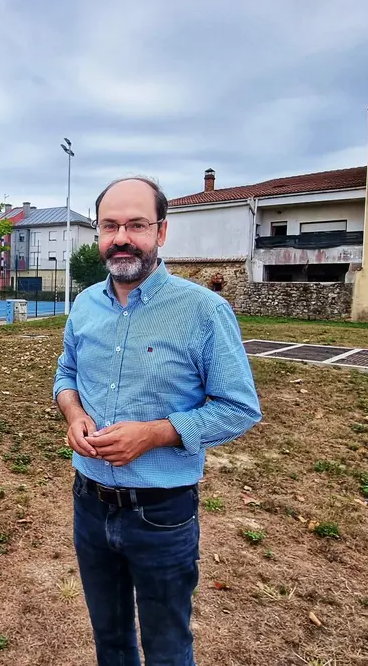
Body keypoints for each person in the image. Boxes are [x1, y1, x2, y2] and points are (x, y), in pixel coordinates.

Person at [53, 176, 262, 665]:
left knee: (167, 647)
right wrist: (75, 412)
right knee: (110, 640)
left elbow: (239, 407)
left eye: (136, 225)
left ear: (161, 233)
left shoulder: (205, 311)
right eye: (109, 225)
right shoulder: (84, 305)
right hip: (90, 503)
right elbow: (65, 374)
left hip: (162, 515)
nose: (121, 237)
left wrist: (154, 435)